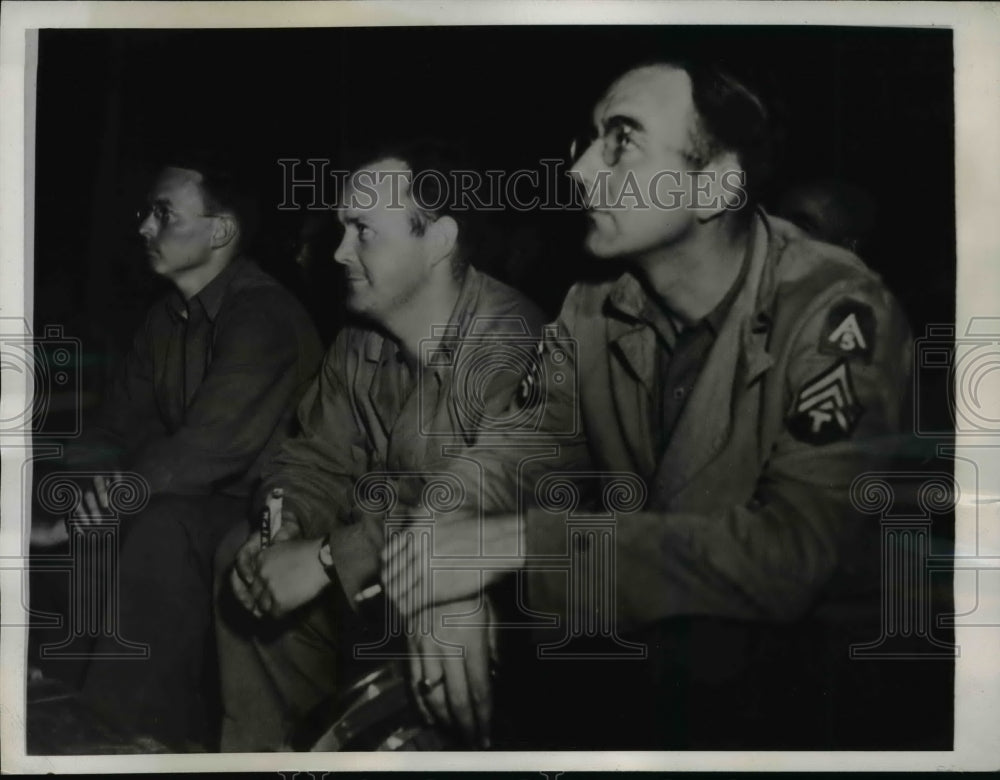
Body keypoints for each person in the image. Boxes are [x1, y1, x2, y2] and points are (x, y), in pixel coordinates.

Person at [384, 60, 914, 748]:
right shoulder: (592, 306)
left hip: (822, 703)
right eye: (590, 138)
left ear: (717, 184)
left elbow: (793, 556)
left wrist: (517, 543)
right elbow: (518, 448)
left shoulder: (836, 310)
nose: (577, 170)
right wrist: (442, 564)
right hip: (668, 669)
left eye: (623, 141)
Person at [215, 142, 546, 751]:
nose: (339, 251)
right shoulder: (358, 340)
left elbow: (477, 511)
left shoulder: (515, 342)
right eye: (343, 228)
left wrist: (321, 560)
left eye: (362, 230)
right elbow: (311, 457)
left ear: (439, 240)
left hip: (494, 600)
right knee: (241, 559)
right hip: (379, 573)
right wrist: (281, 534)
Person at [55, 157, 323, 748]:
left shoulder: (263, 316)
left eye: (164, 213)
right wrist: (73, 483)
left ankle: (119, 737)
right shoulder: (167, 318)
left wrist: (116, 492)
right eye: (146, 213)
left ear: (220, 232)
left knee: (159, 522)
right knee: (72, 509)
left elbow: (207, 452)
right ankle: (57, 712)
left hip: (263, 516)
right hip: (186, 498)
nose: (145, 227)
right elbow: (114, 429)